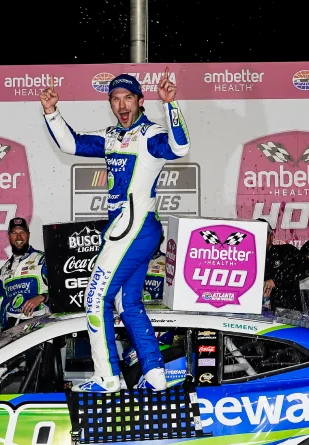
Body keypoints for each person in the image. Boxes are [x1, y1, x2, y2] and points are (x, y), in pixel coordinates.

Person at [41, 68, 190, 392]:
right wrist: (52, 112)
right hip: (131, 228)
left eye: (128, 98)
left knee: (95, 300)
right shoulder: (110, 136)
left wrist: (171, 105)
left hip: (133, 226)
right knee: (128, 304)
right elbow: (71, 144)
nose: (122, 105)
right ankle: (155, 375)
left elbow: (180, 148)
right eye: (115, 99)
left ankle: (108, 378)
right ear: (110, 103)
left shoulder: (150, 135)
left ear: (140, 100)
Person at [0, 217, 49, 338]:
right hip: (12, 328)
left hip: (39, 323)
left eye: (22, 232)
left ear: (28, 235)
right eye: (14, 233)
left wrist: (42, 297)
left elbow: (62, 291)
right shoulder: (4, 269)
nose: (18, 237)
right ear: (9, 236)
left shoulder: (41, 260)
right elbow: (3, 301)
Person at [260, 220, 309, 314]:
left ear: (271, 236)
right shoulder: (243, 256)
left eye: (262, 235)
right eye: (255, 235)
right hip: (254, 314)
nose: (259, 239)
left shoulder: (286, 251)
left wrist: (276, 281)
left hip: (287, 313)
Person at [143, 236, 166, 303]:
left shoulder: (167, 260)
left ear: (161, 240)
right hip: (139, 305)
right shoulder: (138, 260)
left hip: (160, 304)